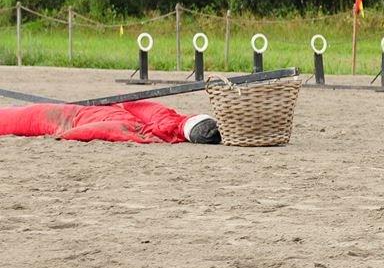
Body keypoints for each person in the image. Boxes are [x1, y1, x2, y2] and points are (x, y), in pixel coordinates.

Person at [0, 100, 221, 144]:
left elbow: (95, 130)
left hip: (77, 115)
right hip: (77, 115)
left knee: (22, 115)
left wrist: (65, 135)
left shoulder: (160, 119)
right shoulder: (161, 120)